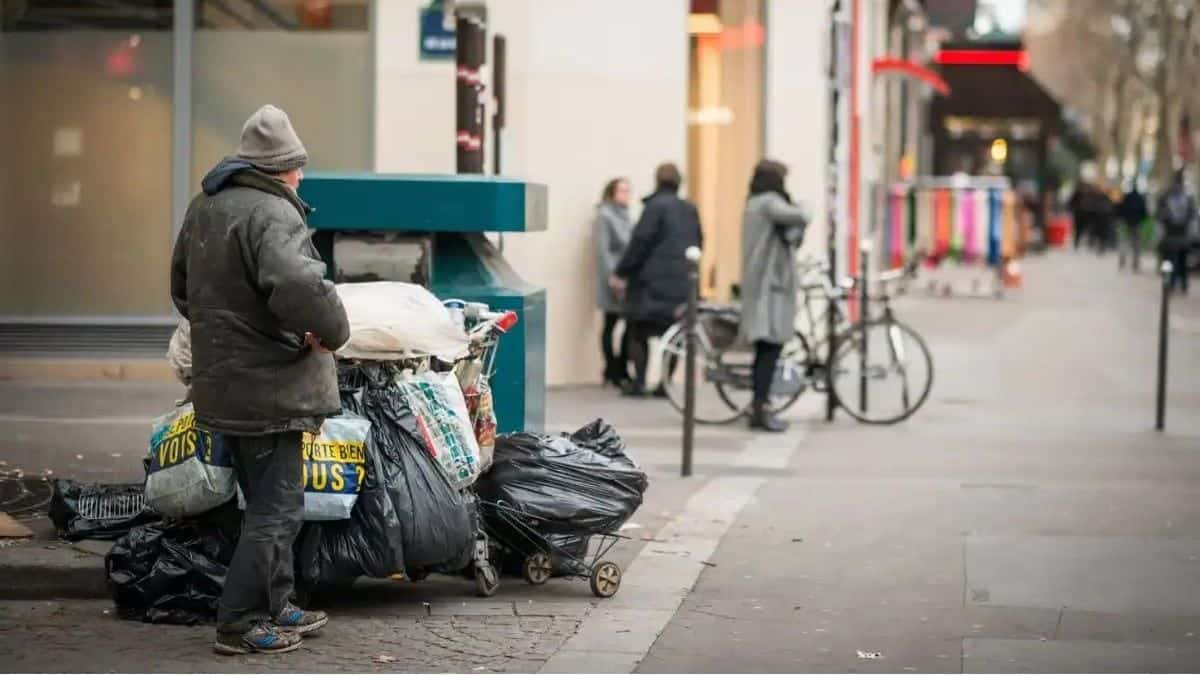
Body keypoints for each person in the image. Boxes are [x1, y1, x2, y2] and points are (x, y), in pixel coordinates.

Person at [170, 105, 350, 655]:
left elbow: (182, 288)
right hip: (270, 383)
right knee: (277, 508)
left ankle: (277, 602)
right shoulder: (273, 213)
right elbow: (300, 285)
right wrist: (326, 332)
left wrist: (231, 331)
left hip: (226, 380)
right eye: (298, 168)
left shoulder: (206, 206)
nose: (301, 177)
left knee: (265, 501)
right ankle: (241, 622)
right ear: (283, 168)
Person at [611, 163, 703, 398]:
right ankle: (665, 383)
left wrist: (622, 272)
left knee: (639, 332)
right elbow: (700, 242)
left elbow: (639, 243)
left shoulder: (654, 207)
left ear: (657, 181)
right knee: (673, 336)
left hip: (650, 284)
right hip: (682, 283)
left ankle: (640, 383)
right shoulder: (689, 209)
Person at [739, 160, 810, 432]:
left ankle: (761, 404)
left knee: (767, 351)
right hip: (769, 289)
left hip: (764, 287)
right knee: (769, 349)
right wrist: (805, 207)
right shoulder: (767, 203)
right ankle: (760, 408)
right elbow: (801, 216)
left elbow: (792, 234)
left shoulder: (754, 203)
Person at [593, 177, 634, 387]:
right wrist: (613, 277)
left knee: (628, 324)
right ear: (611, 193)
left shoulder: (627, 216)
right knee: (611, 323)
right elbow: (603, 250)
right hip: (612, 278)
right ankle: (612, 369)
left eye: (628, 191)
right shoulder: (604, 215)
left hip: (627, 278)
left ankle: (620, 368)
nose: (626, 195)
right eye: (622, 191)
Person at [1157, 170, 1196, 295]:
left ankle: (1177, 285)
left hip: (1177, 235)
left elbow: (1192, 215)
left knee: (1178, 262)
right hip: (1174, 235)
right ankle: (1173, 285)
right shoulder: (1182, 198)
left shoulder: (1170, 197)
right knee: (1174, 262)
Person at [1117, 179, 1149, 272]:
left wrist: (1121, 218)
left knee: (1124, 241)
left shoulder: (1126, 197)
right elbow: (1144, 212)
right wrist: (1142, 219)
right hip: (1137, 223)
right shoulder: (1140, 198)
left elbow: (1120, 208)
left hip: (1126, 222)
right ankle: (1135, 262)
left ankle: (1122, 260)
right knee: (1136, 243)